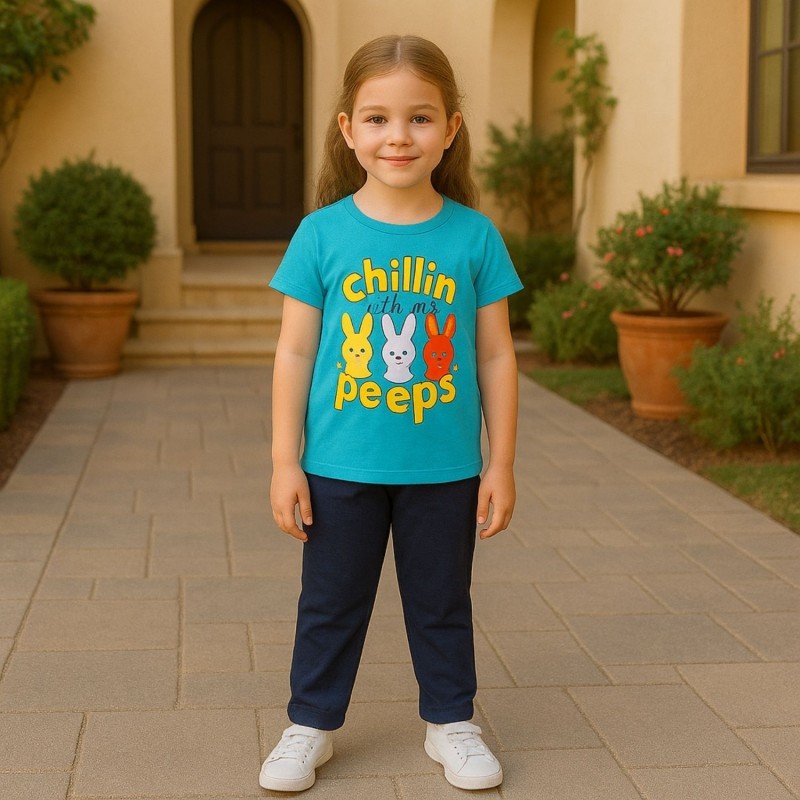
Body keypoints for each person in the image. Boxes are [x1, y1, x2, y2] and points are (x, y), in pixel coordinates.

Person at [260, 33, 523, 793]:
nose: (398, 136)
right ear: (348, 130)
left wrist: (501, 463)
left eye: (419, 117)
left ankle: (451, 722)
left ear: (451, 127)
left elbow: (496, 356)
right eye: (377, 119)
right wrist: (284, 461)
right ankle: (311, 724)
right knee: (330, 603)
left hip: (445, 469)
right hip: (338, 467)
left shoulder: (472, 237)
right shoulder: (321, 234)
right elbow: (294, 353)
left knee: (441, 602)